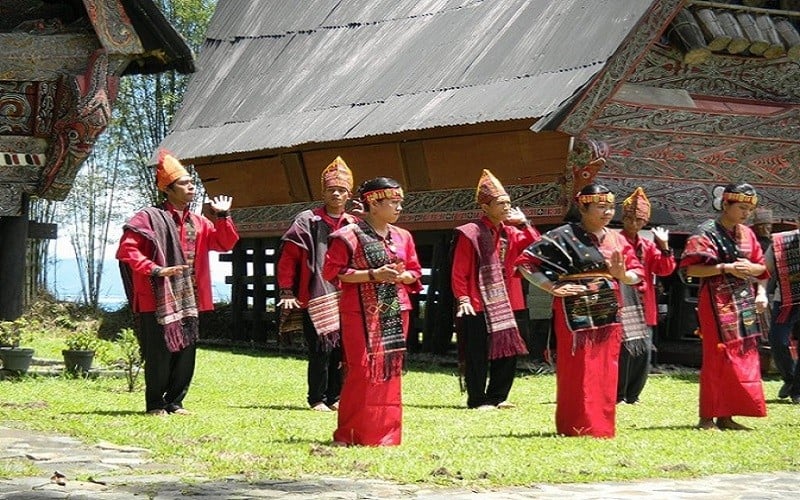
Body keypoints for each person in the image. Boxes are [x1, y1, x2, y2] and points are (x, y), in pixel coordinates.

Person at [117, 150, 239, 416]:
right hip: (155, 295)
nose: (192, 186)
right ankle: (155, 404)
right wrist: (155, 269)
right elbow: (128, 251)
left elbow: (225, 243)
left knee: (186, 352)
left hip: (190, 297)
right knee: (159, 353)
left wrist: (223, 216)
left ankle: (175, 401)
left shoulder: (200, 222)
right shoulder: (148, 217)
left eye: (192, 183)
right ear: (167, 189)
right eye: (185, 183)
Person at [516, 184, 644, 438]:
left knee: (607, 366)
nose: (608, 212)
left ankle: (601, 426)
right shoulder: (561, 236)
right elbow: (526, 263)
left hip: (608, 307)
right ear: (583, 208)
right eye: (601, 207)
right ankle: (576, 424)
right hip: (574, 309)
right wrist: (551, 286)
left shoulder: (618, 238)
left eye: (610, 207)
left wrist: (622, 275)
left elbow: (637, 273)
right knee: (578, 366)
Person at [322, 177, 422, 446]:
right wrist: (372, 274)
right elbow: (333, 272)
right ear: (373, 205)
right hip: (359, 313)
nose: (399, 207)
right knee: (362, 370)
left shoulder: (404, 236)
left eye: (400, 202)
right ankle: (350, 434)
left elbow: (414, 270)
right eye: (393, 202)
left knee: (390, 370)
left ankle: (386, 434)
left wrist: (406, 277)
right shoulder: (347, 236)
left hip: (396, 308)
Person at [679, 182, 769, 431]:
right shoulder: (705, 232)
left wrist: (752, 272)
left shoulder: (748, 234)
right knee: (718, 356)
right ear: (726, 204)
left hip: (743, 299)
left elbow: (762, 267)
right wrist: (724, 267)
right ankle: (707, 416)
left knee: (743, 353)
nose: (745, 214)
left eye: (749, 210)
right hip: (716, 300)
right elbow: (691, 269)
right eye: (740, 207)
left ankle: (728, 415)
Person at [451, 169, 538, 410]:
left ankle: (498, 396)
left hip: (506, 300)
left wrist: (525, 223)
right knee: (477, 352)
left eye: (509, 203)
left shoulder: (510, 232)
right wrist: (463, 298)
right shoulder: (470, 233)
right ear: (485, 207)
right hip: (477, 301)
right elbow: (459, 270)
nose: (506, 207)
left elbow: (536, 248)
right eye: (501, 203)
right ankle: (478, 399)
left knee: (508, 350)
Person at [277, 156, 357, 412]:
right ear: (322, 192)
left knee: (342, 351)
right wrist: (286, 289)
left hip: (347, 294)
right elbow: (288, 257)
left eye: (341, 190)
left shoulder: (355, 224)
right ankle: (317, 398)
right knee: (320, 349)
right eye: (331, 190)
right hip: (316, 293)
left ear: (349, 195)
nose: (336, 194)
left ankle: (335, 396)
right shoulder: (307, 220)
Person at [617, 187, 676, 404]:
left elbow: (664, 269)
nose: (634, 224)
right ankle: (619, 393)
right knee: (624, 350)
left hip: (645, 304)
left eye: (639, 221)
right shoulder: (614, 239)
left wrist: (665, 247)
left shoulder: (649, 245)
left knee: (643, 351)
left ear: (645, 223)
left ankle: (633, 394)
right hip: (623, 302)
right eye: (631, 219)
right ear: (624, 218)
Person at [764, 224, 800, 403]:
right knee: (777, 340)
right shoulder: (780, 242)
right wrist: (761, 293)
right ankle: (790, 377)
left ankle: (797, 390)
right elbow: (765, 270)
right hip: (786, 300)